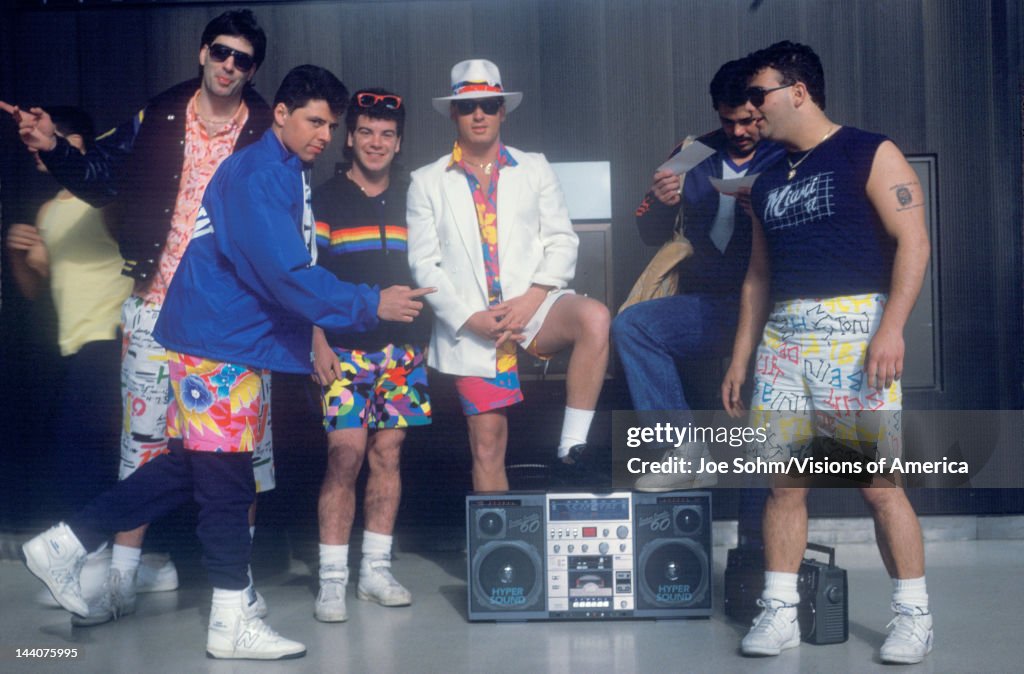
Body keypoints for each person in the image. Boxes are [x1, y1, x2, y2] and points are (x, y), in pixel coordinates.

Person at [21, 64, 433, 660]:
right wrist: (371, 302)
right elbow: (285, 275)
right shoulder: (261, 175)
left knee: (200, 468)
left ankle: (68, 544)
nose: (323, 133)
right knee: (225, 483)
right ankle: (226, 619)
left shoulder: (282, 170)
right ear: (283, 115)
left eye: (331, 124)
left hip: (226, 337)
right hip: (218, 341)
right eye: (315, 120)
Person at [0, 9, 273, 624]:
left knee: (239, 455)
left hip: (233, 319)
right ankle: (120, 587)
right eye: (222, 53)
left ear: (254, 70)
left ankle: (236, 590)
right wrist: (51, 147)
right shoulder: (162, 114)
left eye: (244, 60)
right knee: (145, 448)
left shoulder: (265, 130)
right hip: (156, 305)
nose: (230, 66)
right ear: (203, 53)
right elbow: (100, 176)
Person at [719, 41, 932, 664]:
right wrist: (741, 358)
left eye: (759, 96)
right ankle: (780, 610)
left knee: (879, 485)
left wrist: (891, 329)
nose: (751, 110)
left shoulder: (869, 150)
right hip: (784, 340)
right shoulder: (763, 180)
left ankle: (914, 616)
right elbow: (757, 277)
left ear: (799, 92)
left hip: (854, 335)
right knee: (783, 483)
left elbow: (913, 242)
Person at [407, 59, 611, 492]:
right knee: (487, 445)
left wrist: (532, 300)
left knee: (594, 316)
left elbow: (562, 240)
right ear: (454, 115)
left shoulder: (534, 167)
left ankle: (571, 448)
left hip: (534, 308)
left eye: (488, 104)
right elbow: (425, 266)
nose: (478, 114)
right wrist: (470, 319)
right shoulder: (426, 182)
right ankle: (495, 551)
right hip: (474, 325)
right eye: (468, 107)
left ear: (502, 111)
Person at [613, 58, 784, 491]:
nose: (739, 132)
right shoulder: (695, 150)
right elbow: (648, 230)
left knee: (759, 437)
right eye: (728, 123)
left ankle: (755, 551)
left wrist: (767, 210)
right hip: (709, 306)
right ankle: (683, 449)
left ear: (763, 111)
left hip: (773, 312)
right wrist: (661, 201)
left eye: (748, 121)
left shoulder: (785, 149)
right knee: (633, 325)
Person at [310, 88, 430, 622]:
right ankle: (332, 579)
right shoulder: (325, 197)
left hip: (404, 351)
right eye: (366, 132)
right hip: (341, 347)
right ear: (350, 137)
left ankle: (374, 571)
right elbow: (304, 278)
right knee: (346, 454)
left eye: (387, 134)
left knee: (388, 455)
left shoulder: (415, 195)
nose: (376, 143)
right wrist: (314, 341)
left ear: (398, 141)